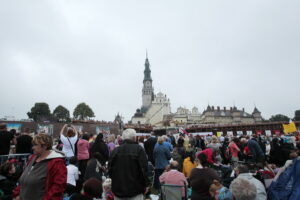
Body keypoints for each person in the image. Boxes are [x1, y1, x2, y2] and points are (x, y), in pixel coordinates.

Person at [14, 133, 67, 200]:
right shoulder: (33, 158)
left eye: (35, 145)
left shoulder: (56, 162)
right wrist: (17, 194)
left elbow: (58, 186)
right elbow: (24, 179)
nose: (32, 147)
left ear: (44, 146)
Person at [108, 129, 150, 200]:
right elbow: (144, 169)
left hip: (121, 189)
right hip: (133, 190)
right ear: (134, 138)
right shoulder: (139, 149)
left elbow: (110, 170)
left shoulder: (116, 150)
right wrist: (146, 184)